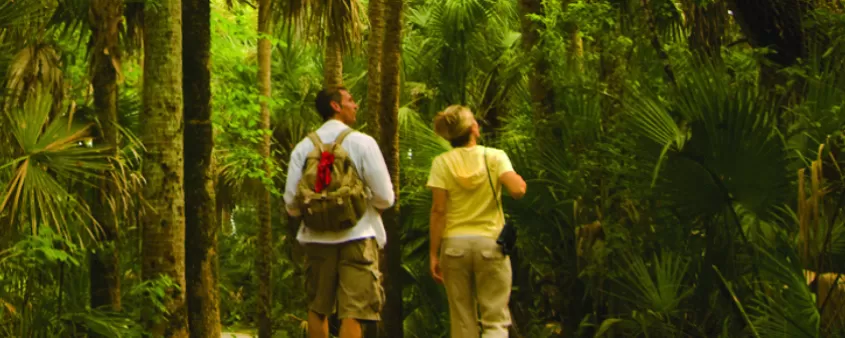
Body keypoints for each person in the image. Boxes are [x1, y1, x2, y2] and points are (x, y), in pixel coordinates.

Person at [284, 87, 395, 338]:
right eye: (350, 101)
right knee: (353, 312)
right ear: (336, 106)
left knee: (317, 309)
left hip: (315, 239)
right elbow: (386, 197)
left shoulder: (303, 147)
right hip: (358, 236)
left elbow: (291, 203)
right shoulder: (363, 142)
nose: (355, 106)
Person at [426, 104, 527, 338]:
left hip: (454, 247)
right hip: (490, 244)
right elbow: (518, 190)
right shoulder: (494, 156)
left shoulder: (441, 162)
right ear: (473, 128)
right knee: (495, 320)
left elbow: (438, 210)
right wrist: (517, 180)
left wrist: (434, 253)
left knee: (462, 322)